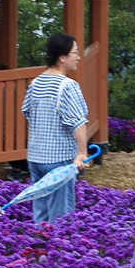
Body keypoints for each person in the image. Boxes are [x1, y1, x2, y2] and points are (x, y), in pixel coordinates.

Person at [19, 32, 91, 223]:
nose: (78, 57)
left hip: (35, 158)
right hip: (59, 161)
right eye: (75, 53)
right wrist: (82, 153)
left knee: (41, 215)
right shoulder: (67, 86)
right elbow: (78, 122)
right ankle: (56, 243)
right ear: (62, 57)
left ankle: (37, 242)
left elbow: (27, 112)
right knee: (60, 219)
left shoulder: (35, 83)